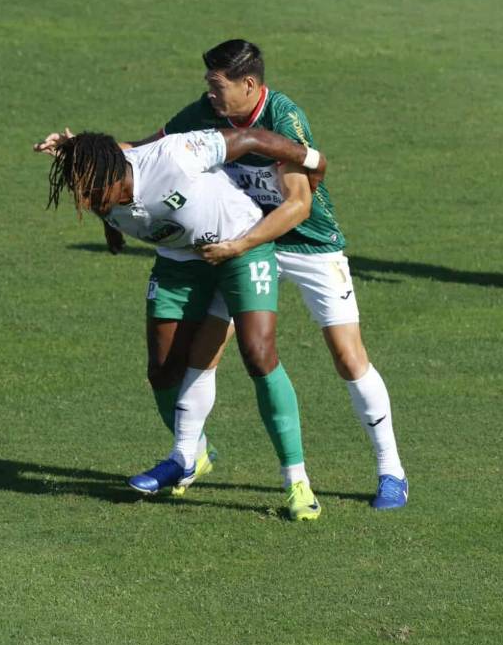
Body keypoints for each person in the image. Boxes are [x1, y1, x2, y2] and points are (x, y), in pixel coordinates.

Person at [110, 39, 408, 510]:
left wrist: (240, 244)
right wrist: (81, 151)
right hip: (243, 242)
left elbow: (299, 203)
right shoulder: (204, 113)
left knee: (348, 356)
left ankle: (391, 469)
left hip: (305, 243)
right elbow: (144, 149)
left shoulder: (282, 117)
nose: (209, 94)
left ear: (249, 85)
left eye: (216, 85)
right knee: (205, 352)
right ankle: (185, 456)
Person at [44, 126, 327, 520]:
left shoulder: (173, 156)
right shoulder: (100, 193)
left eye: (91, 192)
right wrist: (111, 227)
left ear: (113, 174)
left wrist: (311, 160)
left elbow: (248, 139)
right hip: (180, 262)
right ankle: (190, 455)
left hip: (241, 244)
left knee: (259, 355)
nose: (86, 200)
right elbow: (109, 201)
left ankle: (297, 482)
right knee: (162, 370)